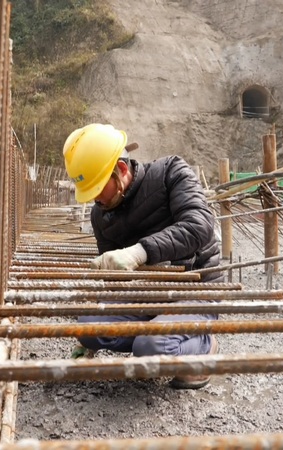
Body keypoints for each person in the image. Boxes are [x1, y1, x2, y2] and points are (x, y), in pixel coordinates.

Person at [63, 123, 222, 389]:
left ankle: (205, 345)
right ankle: (153, 336)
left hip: (194, 291)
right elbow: (114, 279)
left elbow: (200, 226)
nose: (96, 200)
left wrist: (141, 251)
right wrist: (87, 341)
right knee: (87, 327)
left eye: (99, 189)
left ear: (122, 170)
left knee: (149, 347)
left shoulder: (171, 172)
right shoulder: (100, 214)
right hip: (146, 294)